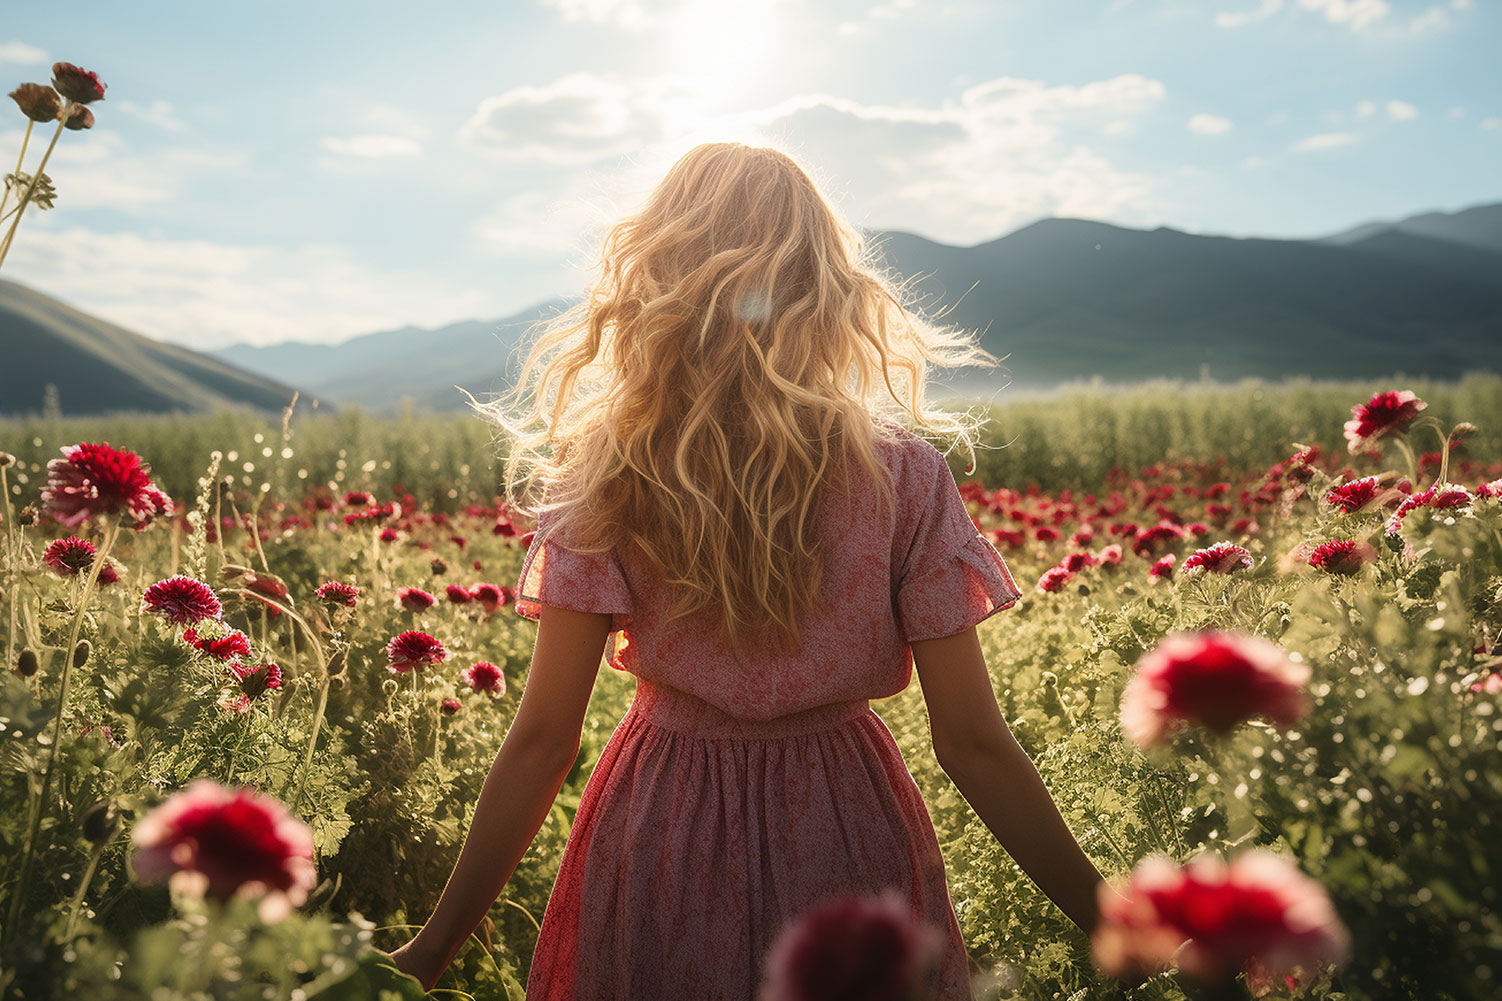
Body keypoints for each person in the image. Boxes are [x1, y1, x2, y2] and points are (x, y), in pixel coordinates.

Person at [387, 142, 1131, 999]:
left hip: (660, 823)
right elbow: (971, 744)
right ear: (827, 286)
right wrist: (1118, 921)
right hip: (847, 832)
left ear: (658, 277)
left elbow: (544, 740)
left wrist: (433, 948)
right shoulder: (903, 477)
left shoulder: (612, 475)